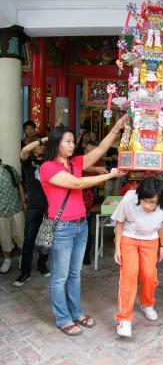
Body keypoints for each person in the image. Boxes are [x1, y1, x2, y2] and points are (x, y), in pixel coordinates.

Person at [40, 117, 126, 336]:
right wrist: (110, 175)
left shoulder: (74, 163)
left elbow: (100, 151)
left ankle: (76, 313)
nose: (71, 145)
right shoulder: (47, 168)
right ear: (55, 144)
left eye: (72, 142)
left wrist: (116, 127)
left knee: (75, 274)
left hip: (81, 225)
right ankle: (63, 318)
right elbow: (77, 183)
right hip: (62, 228)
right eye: (67, 141)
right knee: (60, 276)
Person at [112, 177, 163, 338]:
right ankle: (123, 319)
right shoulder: (130, 198)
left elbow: (162, 225)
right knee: (129, 275)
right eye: (144, 201)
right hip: (128, 238)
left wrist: (162, 245)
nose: (147, 206)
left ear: (160, 200)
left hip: (151, 240)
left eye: (152, 202)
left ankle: (147, 304)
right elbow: (119, 222)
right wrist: (117, 247)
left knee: (149, 275)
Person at [13, 136, 50, 287]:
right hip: (34, 206)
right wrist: (42, 139)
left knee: (46, 240)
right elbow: (24, 150)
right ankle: (25, 272)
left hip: (49, 205)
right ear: (33, 145)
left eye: (43, 146)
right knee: (28, 240)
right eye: (39, 145)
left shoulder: (48, 161)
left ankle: (42, 265)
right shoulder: (28, 162)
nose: (42, 147)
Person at [82, 140, 108, 265]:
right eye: (87, 150)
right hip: (73, 201)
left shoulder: (99, 163)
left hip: (88, 200)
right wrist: (93, 176)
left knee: (86, 228)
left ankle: (85, 256)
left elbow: (101, 183)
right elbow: (76, 167)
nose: (89, 153)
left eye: (92, 151)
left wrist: (81, 180)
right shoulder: (78, 160)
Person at [0, 161, 26, 273]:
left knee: (20, 235)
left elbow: (19, 184)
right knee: (4, 237)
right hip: (0, 212)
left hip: (16, 208)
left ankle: (23, 257)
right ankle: (7, 260)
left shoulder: (9, 169)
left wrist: (24, 202)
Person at [102, 130, 123, 196]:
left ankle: (117, 206)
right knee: (108, 189)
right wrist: (108, 159)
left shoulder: (123, 144)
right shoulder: (108, 143)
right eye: (115, 133)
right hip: (108, 168)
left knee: (117, 190)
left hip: (119, 169)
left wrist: (119, 157)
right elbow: (102, 157)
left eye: (118, 133)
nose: (117, 135)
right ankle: (107, 205)